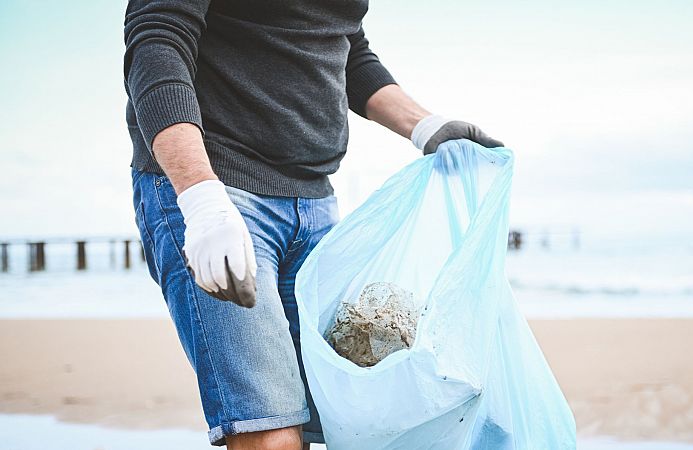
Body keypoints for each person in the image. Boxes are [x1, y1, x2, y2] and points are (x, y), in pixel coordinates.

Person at [124, 1, 502, 449]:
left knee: (354, 414)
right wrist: (201, 198)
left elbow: (345, 44)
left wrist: (424, 125)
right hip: (221, 188)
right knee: (270, 430)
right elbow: (158, 38)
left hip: (316, 200)